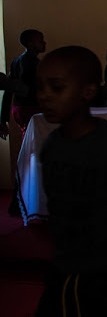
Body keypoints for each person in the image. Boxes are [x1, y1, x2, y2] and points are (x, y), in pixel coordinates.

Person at [34, 46, 107, 317]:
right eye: (40, 87)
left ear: (87, 92)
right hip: (65, 273)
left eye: (56, 88)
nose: (44, 96)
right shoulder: (52, 146)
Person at [0, 29, 46, 216]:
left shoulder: (17, 61)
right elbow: (34, 92)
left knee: (29, 154)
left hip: (18, 110)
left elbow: (8, 91)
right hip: (31, 111)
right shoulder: (32, 64)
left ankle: (23, 200)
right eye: (40, 41)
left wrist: (3, 119)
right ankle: (18, 202)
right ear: (31, 44)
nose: (44, 43)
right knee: (29, 155)